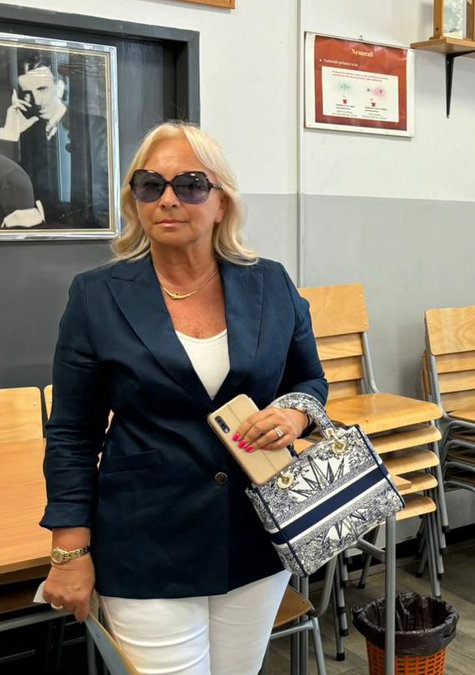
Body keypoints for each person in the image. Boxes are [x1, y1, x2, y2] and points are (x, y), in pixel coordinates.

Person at [40, 121, 327, 674]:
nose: (168, 199)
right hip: (146, 542)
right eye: (150, 185)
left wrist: (294, 414)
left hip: (255, 535)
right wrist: (69, 549)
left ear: (221, 203)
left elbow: (310, 381)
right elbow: (72, 433)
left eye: (191, 184)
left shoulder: (270, 284)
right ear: (136, 200)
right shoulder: (97, 295)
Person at [0, 52, 109, 228]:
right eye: (27, 93)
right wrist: (10, 132)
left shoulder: (96, 128)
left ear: (60, 87)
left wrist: (44, 216)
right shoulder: (26, 133)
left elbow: (101, 202)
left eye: (42, 89)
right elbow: (6, 185)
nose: (36, 101)